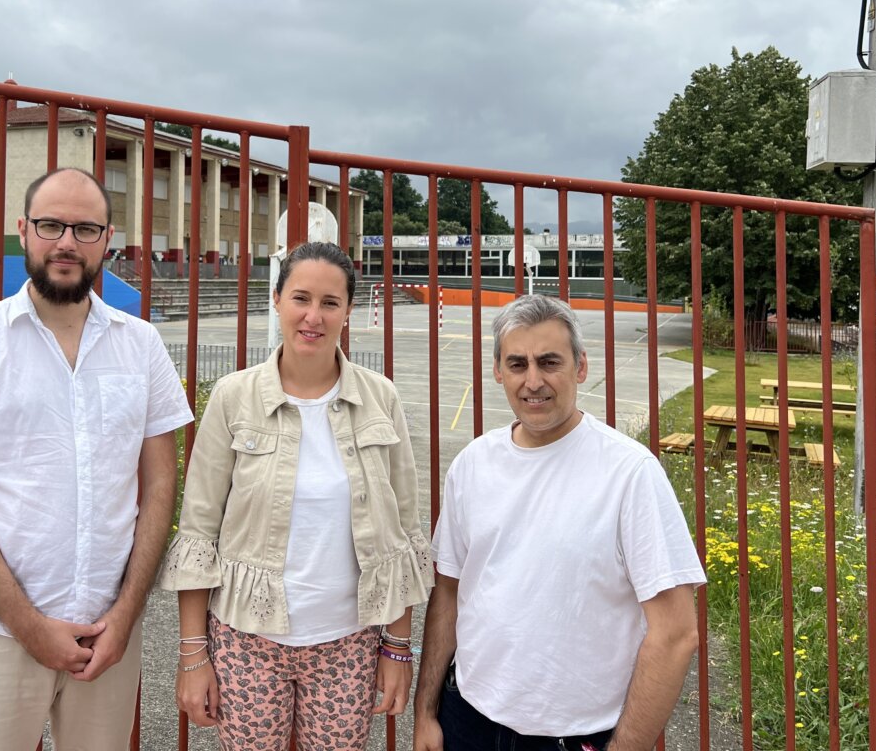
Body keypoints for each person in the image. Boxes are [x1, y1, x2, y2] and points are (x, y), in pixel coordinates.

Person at [0, 167, 193, 751]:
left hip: (106, 637)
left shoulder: (142, 346)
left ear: (108, 240)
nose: (66, 242)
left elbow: (161, 487)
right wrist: (31, 629)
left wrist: (127, 615)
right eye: (51, 225)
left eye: (85, 229)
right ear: (23, 232)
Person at [162, 241, 433, 750]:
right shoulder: (233, 397)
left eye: (330, 303)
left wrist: (397, 646)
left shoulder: (381, 399)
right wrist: (193, 653)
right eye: (301, 298)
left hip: (348, 643)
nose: (314, 316)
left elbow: (402, 534)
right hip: (247, 641)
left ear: (349, 311)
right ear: (277, 299)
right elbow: (199, 530)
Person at [413, 294, 705, 751]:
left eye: (549, 362)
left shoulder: (629, 473)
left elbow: (676, 633)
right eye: (517, 364)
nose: (533, 381)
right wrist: (426, 712)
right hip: (467, 719)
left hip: (575, 736)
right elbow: (448, 593)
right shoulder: (472, 465)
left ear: (580, 367)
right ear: (498, 371)